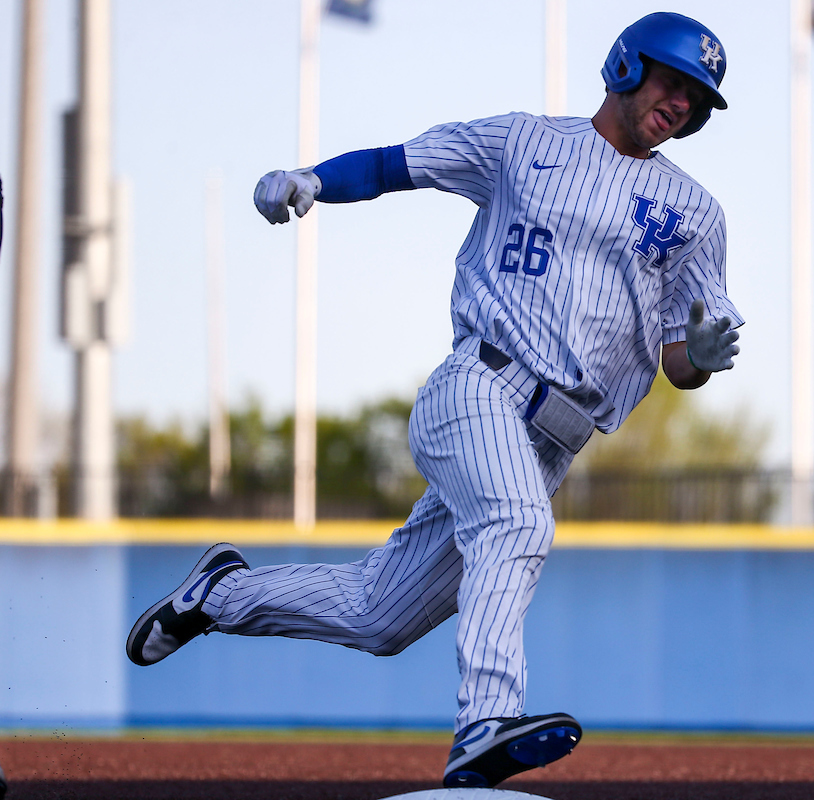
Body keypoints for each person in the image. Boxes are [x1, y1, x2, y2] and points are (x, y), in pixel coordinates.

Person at [127, 11, 742, 789]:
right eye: (674, 79)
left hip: (552, 441)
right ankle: (486, 720)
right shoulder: (525, 143)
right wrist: (314, 179)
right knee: (517, 522)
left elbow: (678, 359)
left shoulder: (696, 214)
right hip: (478, 388)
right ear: (626, 65)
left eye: (698, 96)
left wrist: (702, 360)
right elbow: (399, 163)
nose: (683, 101)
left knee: (379, 614)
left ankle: (220, 594)